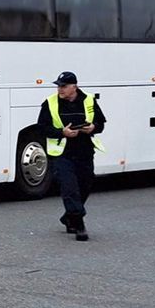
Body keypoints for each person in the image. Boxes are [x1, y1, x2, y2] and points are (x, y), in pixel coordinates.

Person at [36, 70, 106, 241]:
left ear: (74, 86)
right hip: (62, 153)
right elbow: (41, 128)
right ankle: (79, 223)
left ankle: (69, 217)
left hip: (84, 150)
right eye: (59, 86)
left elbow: (100, 123)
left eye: (64, 86)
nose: (60, 89)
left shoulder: (89, 100)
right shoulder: (50, 103)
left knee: (85, 185)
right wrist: (62, 132)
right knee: (69, 187)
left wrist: (93, 128)